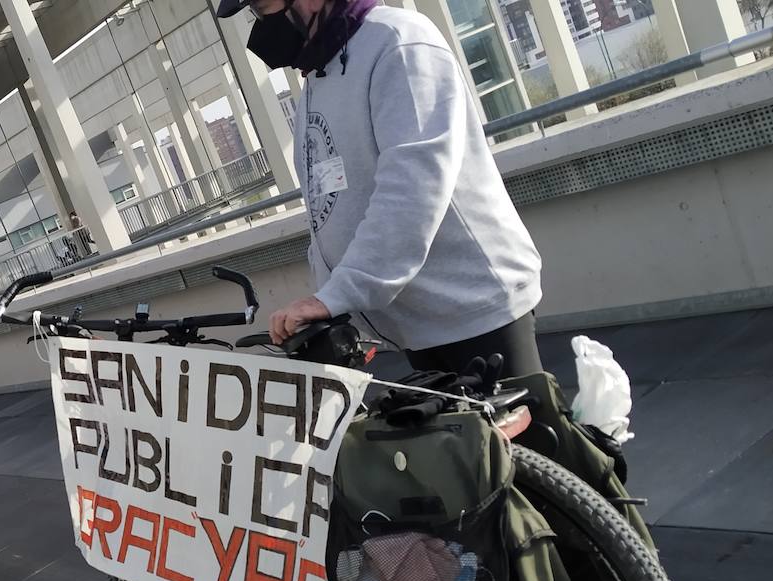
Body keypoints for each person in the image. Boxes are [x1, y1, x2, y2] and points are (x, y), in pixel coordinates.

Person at [217, 0, 544, 377]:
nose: (259, 22)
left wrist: (336, 296)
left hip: (473, 310)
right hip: (413, 325)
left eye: (260, 6)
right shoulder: (318, 78)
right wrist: (327, 300)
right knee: (454, 435)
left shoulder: (399, 43)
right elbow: (329, 202)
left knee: (522, 434)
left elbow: (411, 192)